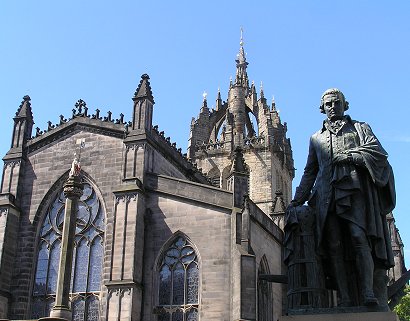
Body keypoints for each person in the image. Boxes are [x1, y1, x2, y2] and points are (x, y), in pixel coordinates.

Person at [290, 88, 395, 306]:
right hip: (326, 196)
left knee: (358, 237)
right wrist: (297, 200)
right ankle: (345, 298)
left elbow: (377, 153)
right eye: (327, 104)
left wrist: (352, 155)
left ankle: (367, 292)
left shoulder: (360, 128)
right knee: (334, 246)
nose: (332, 107)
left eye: (336, 103)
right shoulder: (316, 138)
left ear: (344, 104)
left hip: (354, 191)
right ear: (322, 108)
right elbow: (310, 171)